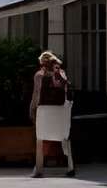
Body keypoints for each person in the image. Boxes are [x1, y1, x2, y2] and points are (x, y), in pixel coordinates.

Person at [30, 50, 75, 178]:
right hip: (61, 114)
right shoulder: (61, 74)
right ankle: (70, 167)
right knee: (65, 138)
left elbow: (36, 94)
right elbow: (67, 93)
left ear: (42, 63)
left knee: (40, 138)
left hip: (44, 114)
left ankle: (38, 169)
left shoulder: (39, 75)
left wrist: (32, 108)